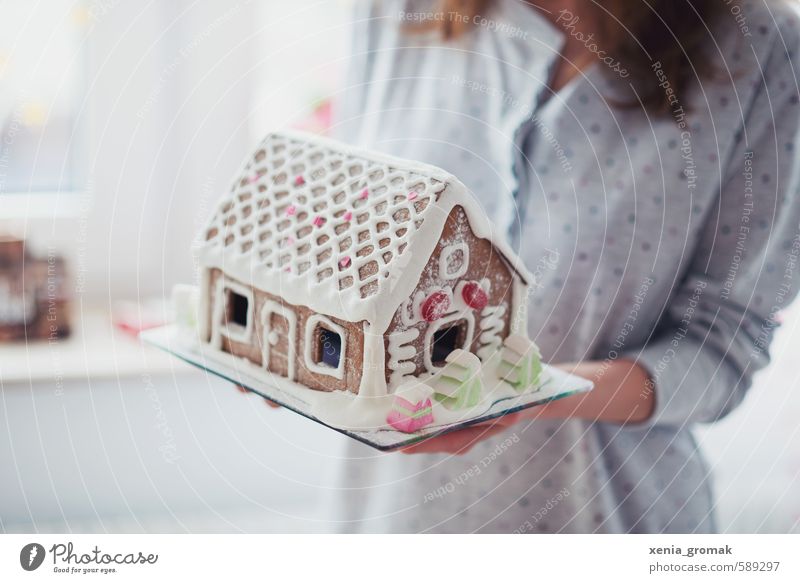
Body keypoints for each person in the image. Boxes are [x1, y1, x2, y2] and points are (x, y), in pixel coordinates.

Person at [246, 0, 800, 532]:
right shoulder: (397, 11)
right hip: (389, 522)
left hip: (610, 523)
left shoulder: (762, 50)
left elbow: (722, 350)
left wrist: (532, 392)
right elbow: (348, 254)